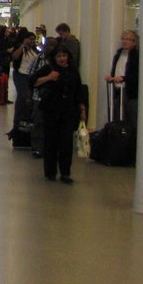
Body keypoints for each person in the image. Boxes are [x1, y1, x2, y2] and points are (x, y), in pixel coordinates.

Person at [31, 44, 85, 184]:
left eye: (64, 56)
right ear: (54, 58)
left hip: (68, 111)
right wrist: (49, 77)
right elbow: (32, 82)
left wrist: (82, 108)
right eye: (59, 56)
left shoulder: (73, 70)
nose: (62, 59)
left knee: (66, 143)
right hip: (51, 110)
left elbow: (78, 90)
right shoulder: (48, 69)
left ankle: (65, 173)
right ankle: (50, 172)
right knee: (51, 142)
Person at [105, 30, 139, 124]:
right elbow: (117, 69)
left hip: (130, 92)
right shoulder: (118, 54)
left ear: (134, 42)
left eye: (128, 39)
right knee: (116, 115)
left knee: (130, 117)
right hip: (117, 90)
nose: (125, 41)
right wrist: (111, 77)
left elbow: (135, 75)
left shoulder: (136, 56)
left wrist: (124, 78)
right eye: (123, 38)